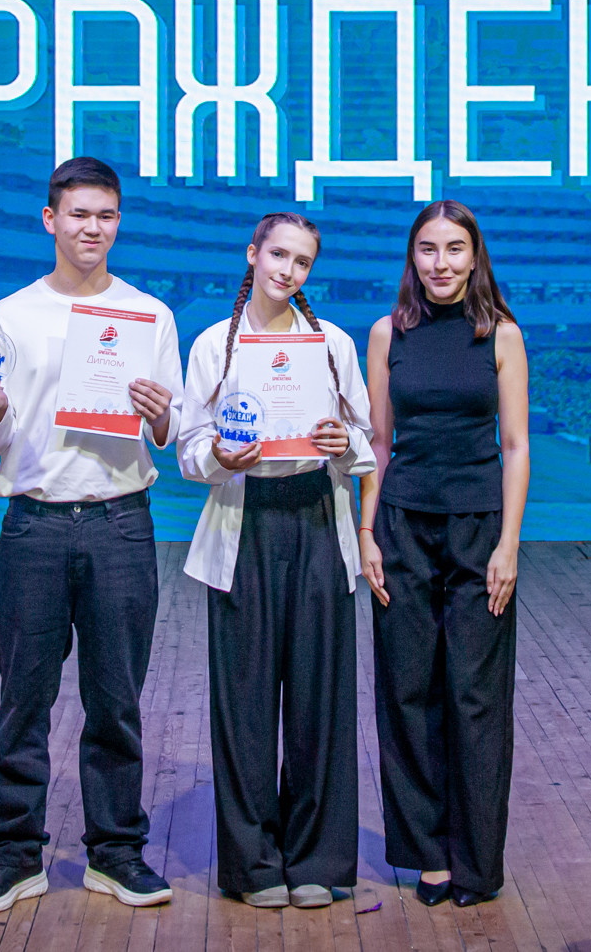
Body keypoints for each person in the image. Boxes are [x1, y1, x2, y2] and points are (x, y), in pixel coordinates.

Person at [0, 156, 185, 914]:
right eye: (79, 214)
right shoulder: (10, 315)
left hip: (121, 522)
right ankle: (13, 855)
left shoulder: (149, 314)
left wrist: (161, 415)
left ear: (119, 223)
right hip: (35, 524)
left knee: (116, 701)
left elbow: (172, 429)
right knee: (24, 699)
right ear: (50, 220)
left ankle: (116, 852)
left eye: (106, 216)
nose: (93, 228)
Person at [176, 213, 374, 910]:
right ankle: (254, 863)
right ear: (252, 254)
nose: (288, 271)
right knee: (245, 703)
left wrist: (342, 443)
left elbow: (365, 442)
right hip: (245, 522)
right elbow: (189, 448)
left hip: (318, 520)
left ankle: (317, 858)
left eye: (302, 261)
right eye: (278, 255)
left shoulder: (333, 344)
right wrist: (218, 455)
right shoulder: (215, 344)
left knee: (322, 700)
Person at [358, 200, 530, 909]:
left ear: (474, 255)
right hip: (402, 527)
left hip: (479, 532)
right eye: (428, 249)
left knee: (475, 696)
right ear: (413, 256)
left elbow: (515, 445)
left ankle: (476, 861)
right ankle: (428, 855)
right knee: (407, 691)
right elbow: (378, 443)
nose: (441, 262)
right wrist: (366, 532)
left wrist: (508, 545)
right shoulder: (386, 332)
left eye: (455, 248)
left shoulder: (502, 334)